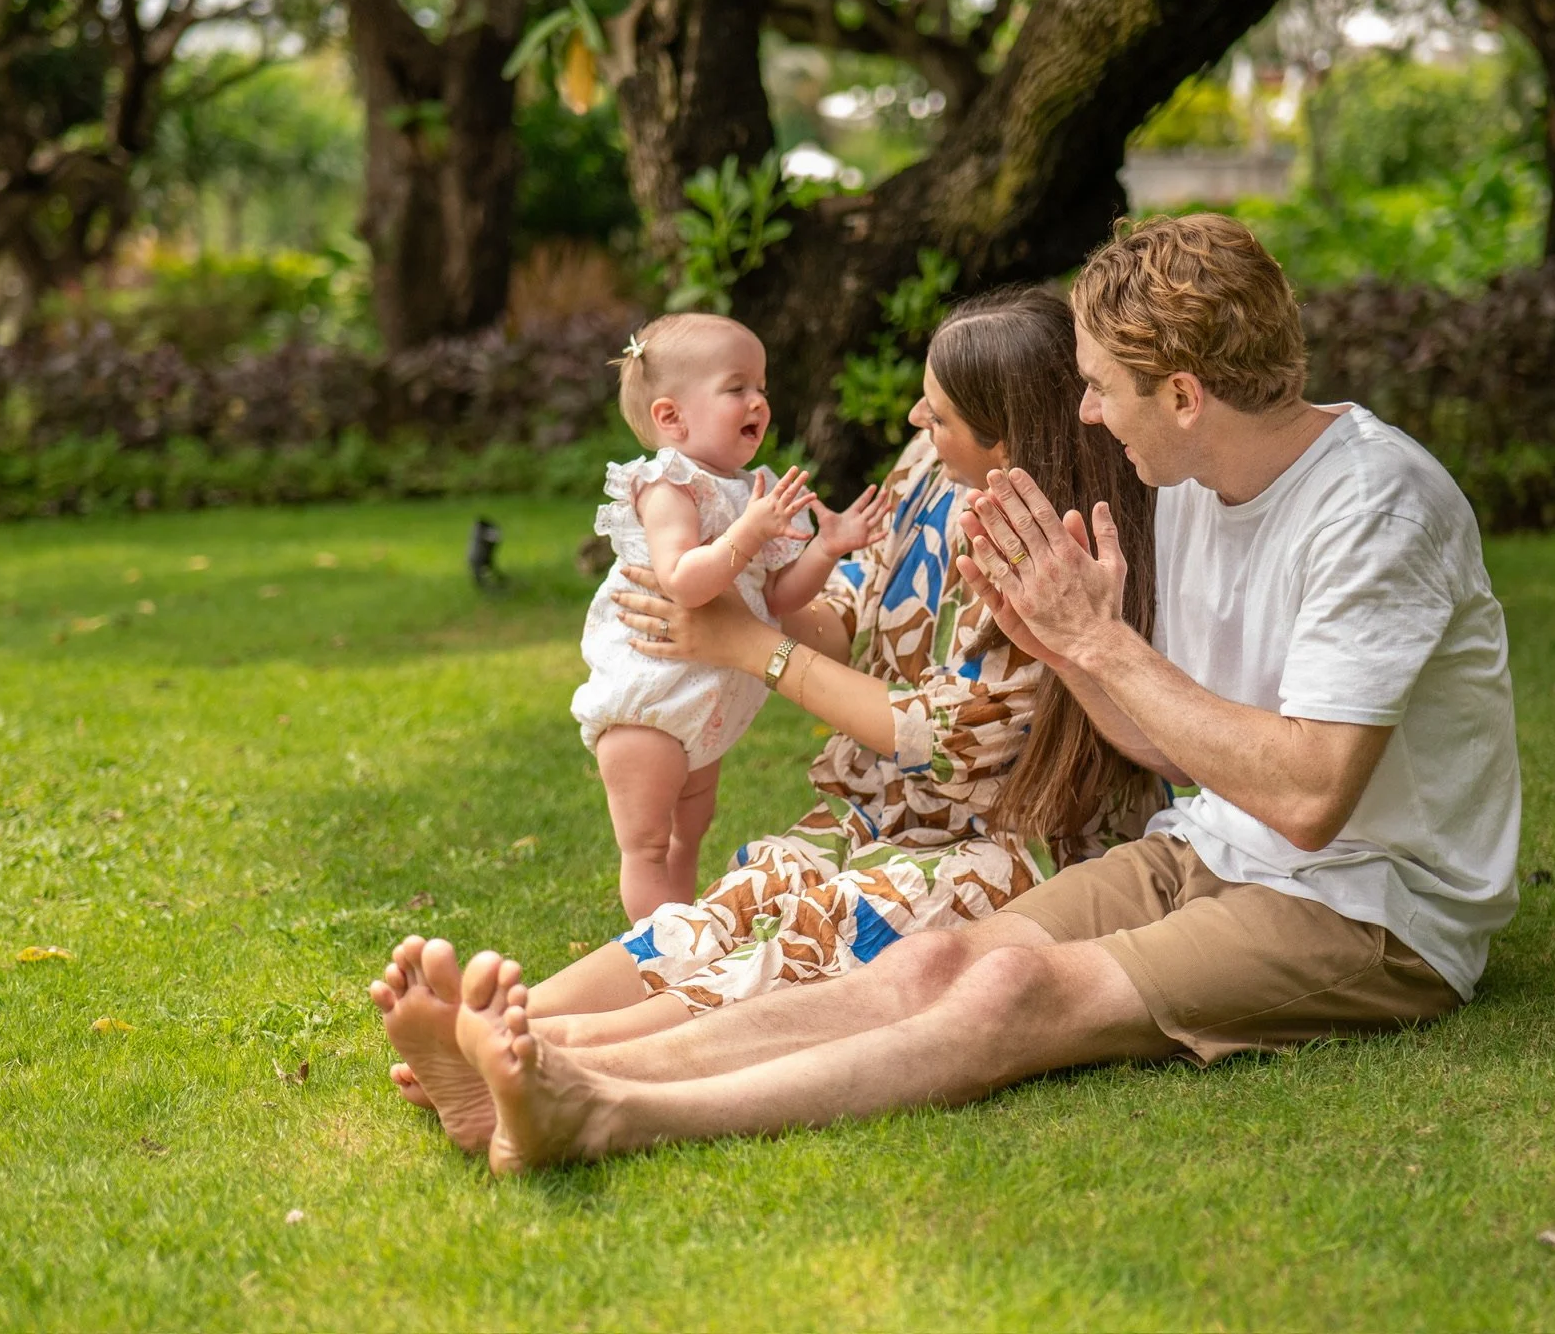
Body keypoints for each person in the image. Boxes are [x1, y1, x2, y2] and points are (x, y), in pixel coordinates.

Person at [387, 212, 1523, 1175]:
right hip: (1213, 842)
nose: (1084, 414)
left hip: (1367, 907)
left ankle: (603, 1111)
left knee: (1005, 998)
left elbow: (1313, 796)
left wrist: (1097, 643)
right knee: (928, 964)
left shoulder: (1375, 507)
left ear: (1182, 394)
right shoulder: (1182, 483)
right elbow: (1175, 756)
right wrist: (1069, 646)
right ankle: (551, 1074)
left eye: (1098, 389)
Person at [370, 286, 1158, 1154]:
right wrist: (729, 610)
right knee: (750, 893)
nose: (911, 417)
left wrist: (751, 646)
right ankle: (498, 1021)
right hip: (880, 810)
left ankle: (543, 1058)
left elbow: (941, 740)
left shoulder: (1059, 544)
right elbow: (850, 603)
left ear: (1003, 434)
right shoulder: (930, 469)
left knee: (806, 940)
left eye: (934, 414)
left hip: (995, 846)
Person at [571, 312, 889, 918]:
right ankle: (652, 953)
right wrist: (747, 531)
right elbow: (683, 581)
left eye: (762, 388)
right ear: (671, 417)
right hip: (651, 701)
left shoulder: (752, 488)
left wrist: (825, 547)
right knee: (647, 843)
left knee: (690, 833)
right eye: (737, 387)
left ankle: (680, 936)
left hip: (706, 702)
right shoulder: (669, 485)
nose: (759, 402)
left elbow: (776, 601)